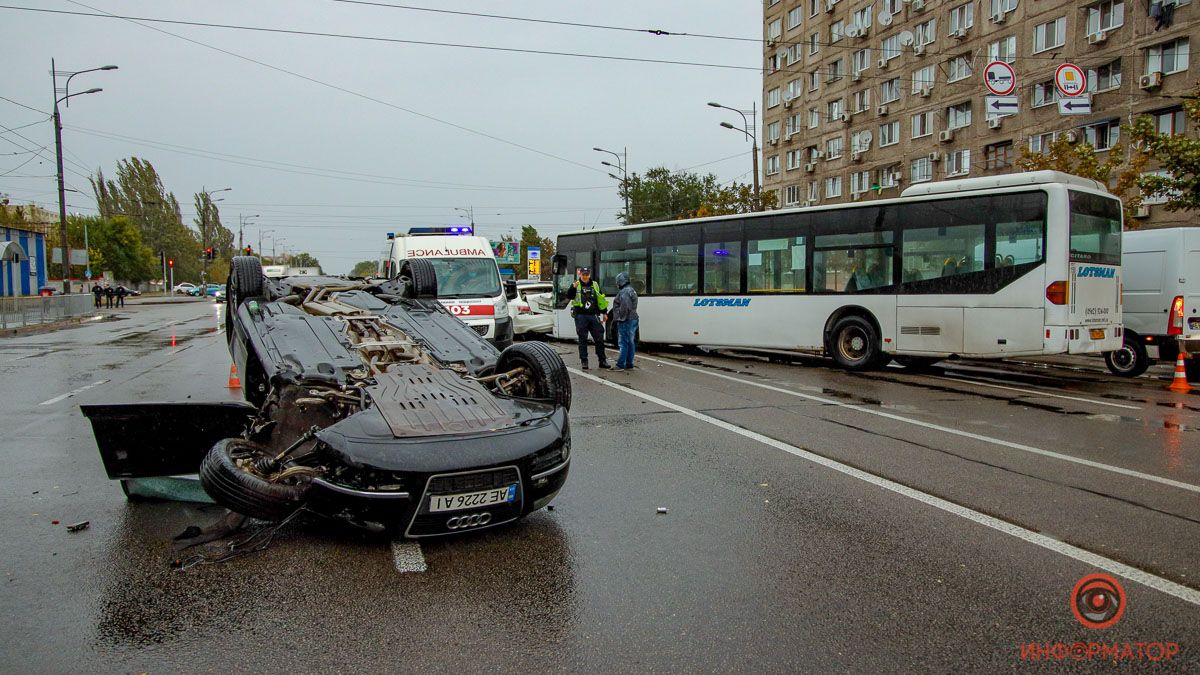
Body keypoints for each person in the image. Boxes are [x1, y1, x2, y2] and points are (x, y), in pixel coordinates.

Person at [564, 267, 609, 370]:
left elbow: (601, 299)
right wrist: (573, 288)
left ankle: (602, 360)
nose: (585, 276)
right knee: (583, 340)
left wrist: (604, 312)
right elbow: (569, 296)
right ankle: (584, 361)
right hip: (581, 316)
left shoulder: (595, 285)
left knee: (599, 339)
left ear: (589, 274)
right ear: (580, 275)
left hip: (593, 315)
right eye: (583, 275)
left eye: (587, 274)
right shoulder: (576, 285)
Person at [611, 271, 639, 371]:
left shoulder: (624, 292)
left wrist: (620, 318)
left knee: (623, 343)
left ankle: (620, 364)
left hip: (626, 320)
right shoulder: (631, 290)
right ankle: (629, 363)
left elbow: (625, 307)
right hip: (633, 318)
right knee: (630, 342)